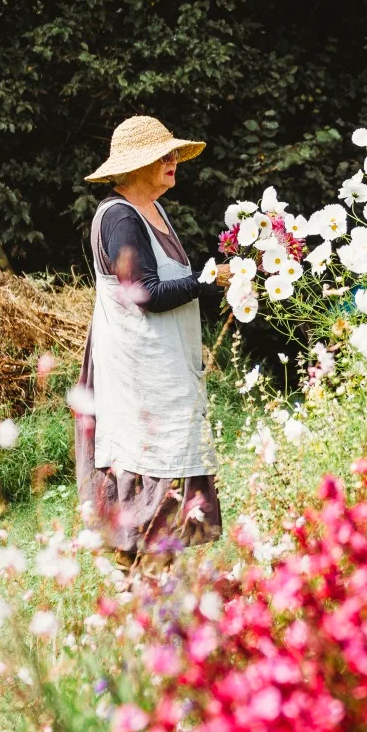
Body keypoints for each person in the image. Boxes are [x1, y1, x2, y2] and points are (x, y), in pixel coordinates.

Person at [75, 114, 231, 560]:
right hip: (135, 362)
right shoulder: (121, 218)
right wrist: (209, 279)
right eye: (164, 155)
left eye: (174, 153)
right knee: (145, 449)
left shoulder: (154, 210)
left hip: (159, 358)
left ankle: (159, 563)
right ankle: (136, 562)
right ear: (138, 164)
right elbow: (146, 295)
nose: (174, 160)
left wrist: (218, 280)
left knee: (166, 444)